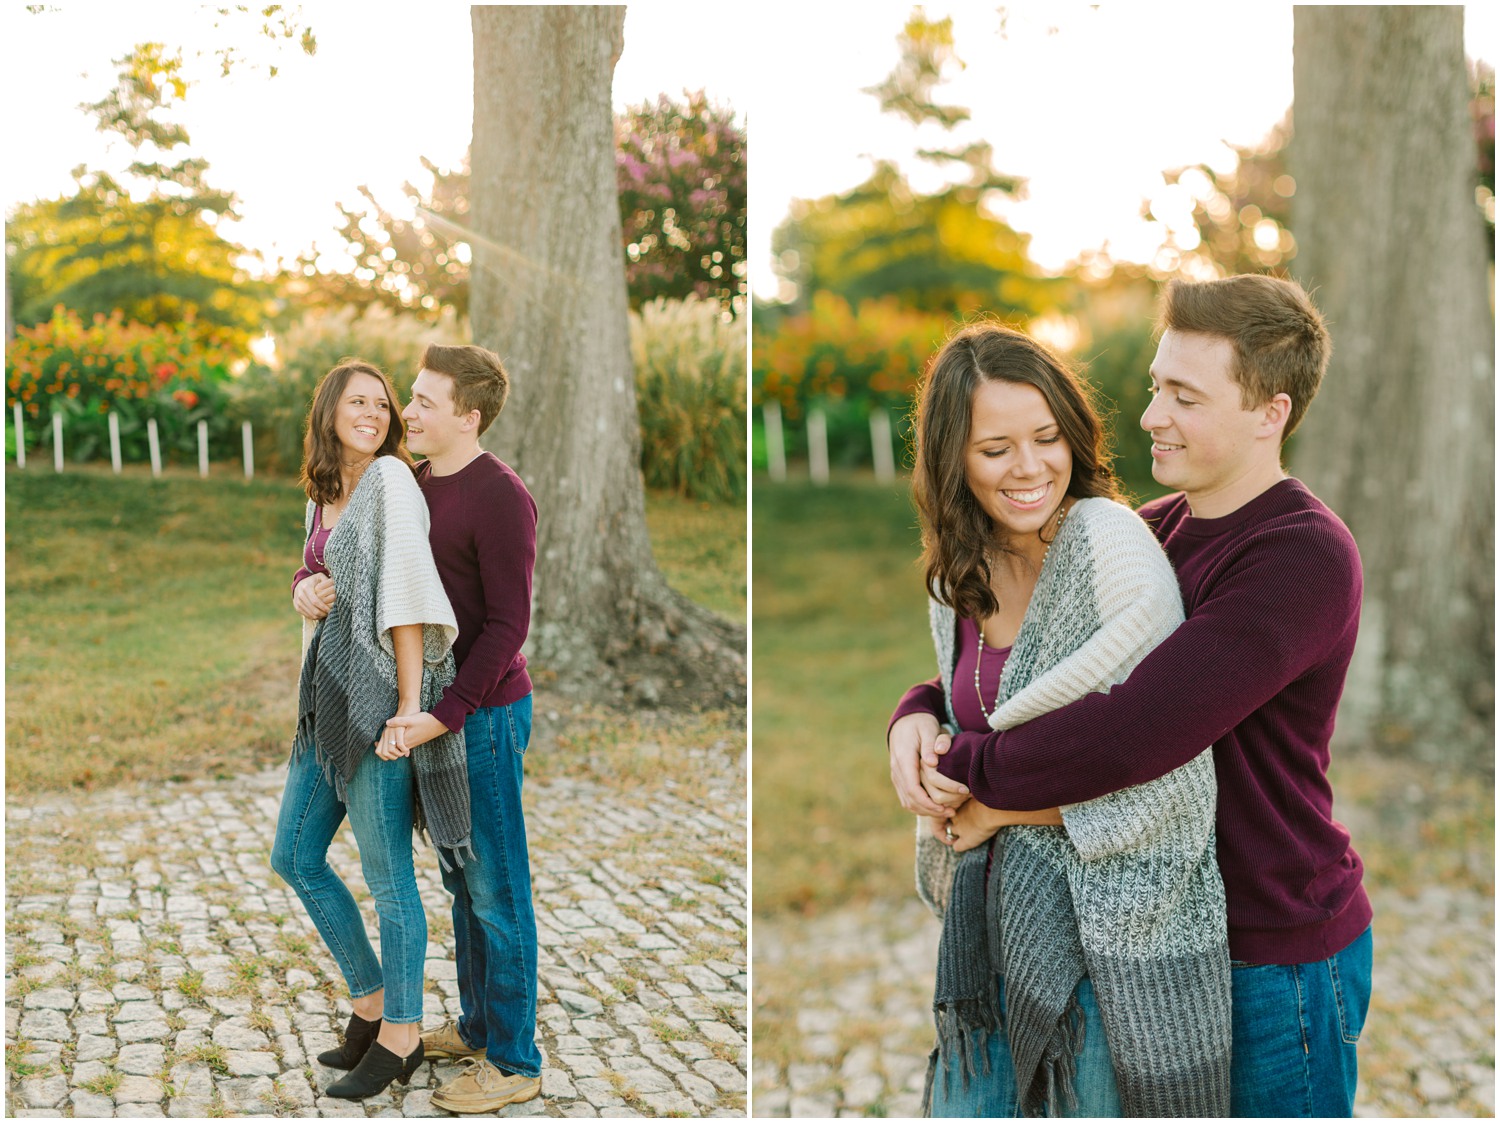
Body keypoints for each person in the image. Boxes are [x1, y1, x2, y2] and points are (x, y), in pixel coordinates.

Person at [892, 275, 1373, 1118]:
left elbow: (1136, 732)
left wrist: (975, 781)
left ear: (1271, 412)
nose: (1151, 414)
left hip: (1272, 941)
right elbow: (1037, 674)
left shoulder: (1302, 555)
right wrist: (918, 709)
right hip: (1155, 920)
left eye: (1183, 395)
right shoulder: (1151, 530)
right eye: (1157, 386)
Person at [900, 322, 1231, 1118]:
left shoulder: (1109, 548)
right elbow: (973, 710)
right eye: (996, 448)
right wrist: (912, 720)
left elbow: (1168, 772)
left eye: (1047, 436)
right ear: (954, 462)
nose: (1029, 467)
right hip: (992, 945)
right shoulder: (960, 576)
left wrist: (995, 805)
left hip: (1114, 949)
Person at [303, 343, 542, 1113]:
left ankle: (513, 1060)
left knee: (498, 889)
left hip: (486, 713)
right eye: (412, 395)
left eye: (426, 401)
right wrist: (307, 580)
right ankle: (475, 1027)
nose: (409, 411)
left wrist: (442, 713)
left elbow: (509, 624)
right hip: (435, 712)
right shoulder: (413, 481)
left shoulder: (502, 495)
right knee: (460, 878)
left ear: (469, 416)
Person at [273, 359, 470, 1099]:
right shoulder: (325, 491)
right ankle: (370, 998)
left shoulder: (392, 481)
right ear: (328, 411)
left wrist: (409, 710)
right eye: (358, 402)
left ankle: (402, 1033)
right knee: (294, 853)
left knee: (391, 881)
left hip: (380, 701)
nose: (376, 413)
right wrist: (302, 590)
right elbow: (310, 575)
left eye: (382, 404)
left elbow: (409, 596)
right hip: (326, 708)